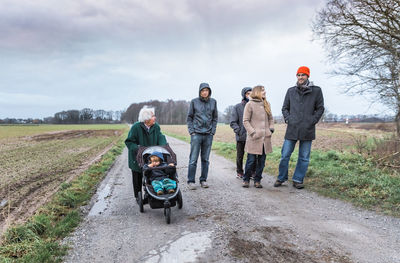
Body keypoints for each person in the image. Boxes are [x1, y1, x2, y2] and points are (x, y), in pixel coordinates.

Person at [274, 66, 324, 189]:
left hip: (307, 129)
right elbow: (285, 108)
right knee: (285, 154)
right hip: (292, 128)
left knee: (304, 157)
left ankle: (297, 180)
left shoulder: (316, 91)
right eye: (298, 75)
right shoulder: (291, 91)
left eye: (303, 75)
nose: (300, 77)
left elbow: (320, 108)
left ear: (308, 76)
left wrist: (312, 121)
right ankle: (281, 178)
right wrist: (289, 119)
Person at [125, 106, 167, 201]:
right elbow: (129, 141)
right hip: (137, 157)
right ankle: (137, 196)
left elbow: (160, 136)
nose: (155, 118)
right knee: (137, 176)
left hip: (152, 156)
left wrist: (164, 146)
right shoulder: (136, 127)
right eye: (153, 116)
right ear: (147, 119)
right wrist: (137, 149)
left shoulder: (156, 126)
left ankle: (152, 193)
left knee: (152, 174)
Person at [187, 82, 218, 190]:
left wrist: (212, 131)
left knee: (205, 159)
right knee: (193, 159)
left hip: (208, 135)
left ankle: (203, 180)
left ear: (209, 91)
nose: (205, 92)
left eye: (207, 90)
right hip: (196, 134)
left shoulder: (213, 102)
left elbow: (215, 118)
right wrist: (192, 131)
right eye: (203, 90)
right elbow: (189, 117)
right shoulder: (194, 102)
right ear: (200, 91)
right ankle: (191, 181)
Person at [242, 85, 274, 188]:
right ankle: (246, 179)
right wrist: (253, 132)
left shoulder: (267, 104)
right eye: (263, 91)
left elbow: (271, 118)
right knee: (251, 160)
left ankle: (257, 180)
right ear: (257, 92)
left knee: (262, 161)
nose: (265, 92)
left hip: (265, 138)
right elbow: (245, 121)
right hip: (254, 138)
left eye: (265, 90)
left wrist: (271, 129)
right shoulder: (249, 104)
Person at [230, 87, 256, 179]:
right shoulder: (237, 107)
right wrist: (239, 131)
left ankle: (252, 172)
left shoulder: (255, 106)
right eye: (247, 93)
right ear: (244, 95)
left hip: (252, 136)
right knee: (240, 156)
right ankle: (240, 171)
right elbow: (233, 122)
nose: (249, 95)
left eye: (251, 93)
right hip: (241, 136)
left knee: (253, 156)